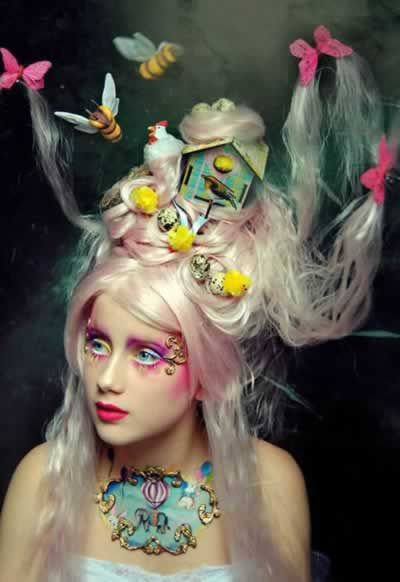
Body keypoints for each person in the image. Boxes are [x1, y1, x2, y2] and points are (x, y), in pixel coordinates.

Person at [0, 25, 395, 582]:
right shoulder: (43, 480)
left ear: (210, 369)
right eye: (97, 344)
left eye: (147, 354)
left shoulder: (271, 484)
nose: (105, 379)